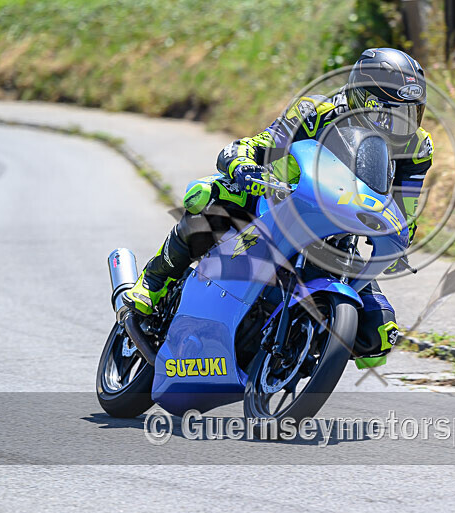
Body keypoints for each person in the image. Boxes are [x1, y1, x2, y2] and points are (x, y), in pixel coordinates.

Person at [122, 48, 433, 367]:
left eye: (411, 112)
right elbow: (257, 145)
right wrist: (243, 167)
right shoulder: (315, 111)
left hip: (339, 233)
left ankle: (300, 355)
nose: (402, 124)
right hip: (276, 197)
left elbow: (404, 207)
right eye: (391, 112)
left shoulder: (416, 147)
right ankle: (154, 281)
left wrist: (397, 240)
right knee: (207, 196)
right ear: (361, 99)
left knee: (378, 335)